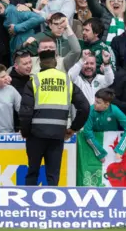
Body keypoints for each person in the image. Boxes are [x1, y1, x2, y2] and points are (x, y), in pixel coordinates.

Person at [19, 49, 90, 186]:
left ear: (40, 64)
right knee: (53, 175)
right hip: (58, 134)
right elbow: (85, 107)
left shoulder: (34, 81)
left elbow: (25, 112)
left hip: (36, 134)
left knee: (32, 172)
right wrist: (72, 129)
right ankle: (51, 205)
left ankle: (29, 205)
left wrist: (26, 132)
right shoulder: (66, 80)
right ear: (56, 62)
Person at [82, 87, 126, 162]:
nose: (95, 104)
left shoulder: (114, 109)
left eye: (98, 102)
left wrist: (120, 149)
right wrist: (99, 153)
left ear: (106, 104)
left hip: (113, 147)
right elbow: (87, 132)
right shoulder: (90, 110)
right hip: (95, 146)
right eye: (95, 101)